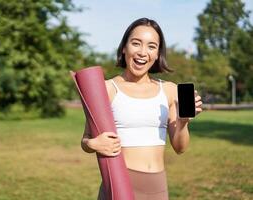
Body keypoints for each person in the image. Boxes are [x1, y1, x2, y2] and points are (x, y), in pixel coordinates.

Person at [81, 17, 203, 200]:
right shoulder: (106, 89)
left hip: (158, 188)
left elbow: (180, 147)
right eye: (136, 43)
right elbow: (86, 140)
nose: (142, 52)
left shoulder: (169, 90)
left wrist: (183, 122)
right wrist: (93, 144)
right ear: (124, 48)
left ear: (157, 54)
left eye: (151, 46)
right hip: (119, 185)